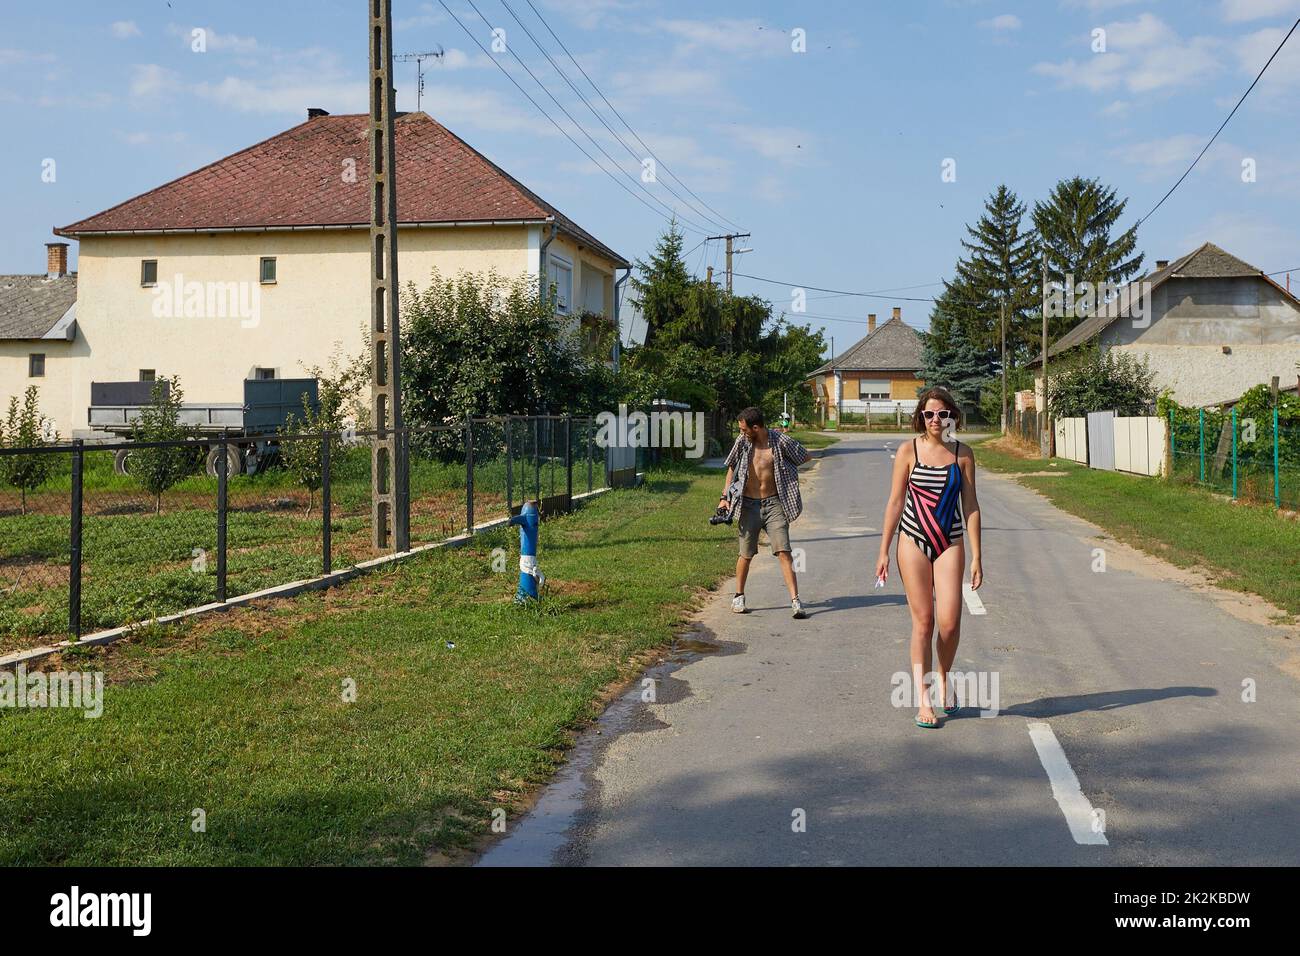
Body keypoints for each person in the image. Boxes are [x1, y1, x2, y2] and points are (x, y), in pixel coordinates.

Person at [875, 387, 983, 728]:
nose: (936, 420)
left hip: (950, 542)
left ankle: (944, 676)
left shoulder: (962, 454)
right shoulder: (909, 451)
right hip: (912, 541)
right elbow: (894, 502)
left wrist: (978, 556)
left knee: (949, 623)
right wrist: (883, 551)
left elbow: (971, 506)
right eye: (929, 414)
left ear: (953, 416)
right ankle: (923, 699)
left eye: (943, 413)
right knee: (924, 621)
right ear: (920, 416)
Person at [718, 407, 813, 618]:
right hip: (748, 505)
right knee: (746, 554)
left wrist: (788, 470)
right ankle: (739, 596)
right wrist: (725, 497)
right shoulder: (743, 443)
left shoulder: (780, 442)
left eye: (744, 429)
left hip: (774, 505)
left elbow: (806, 456)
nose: (742, 432)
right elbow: (731, 466)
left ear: (756, 427)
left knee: (783, 551)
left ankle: (796, 601)